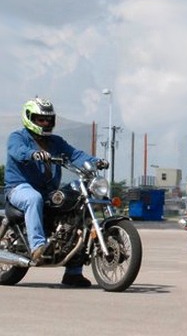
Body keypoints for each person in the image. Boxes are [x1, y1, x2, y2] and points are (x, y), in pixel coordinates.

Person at [4, 97, 109, 287]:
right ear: (29, 118)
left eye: (48, 120)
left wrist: (96, 161)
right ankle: (37, 245)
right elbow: (17, 150)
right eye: (40, 119)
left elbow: (75, 155)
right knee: (33, 198)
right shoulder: (17, 137)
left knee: (78, 207)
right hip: (20, 188)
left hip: (49, 191)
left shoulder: (56, 142)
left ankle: (73, 273)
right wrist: (32, 154)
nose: (45, 123)